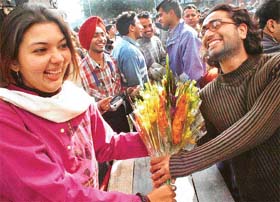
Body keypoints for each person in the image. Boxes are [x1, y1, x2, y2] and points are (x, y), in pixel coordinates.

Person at [0, 4, 176, 201]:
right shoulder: (7, 117)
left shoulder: (75, 99)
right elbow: (54, 193)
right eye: (40, 50)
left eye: (62, 46)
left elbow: (107, 145)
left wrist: (159, 137)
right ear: (13, 61)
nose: (58, 58)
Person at [150, 3, 280, 202]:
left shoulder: (275, 67)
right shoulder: (207, 96)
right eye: (204, 29)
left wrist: (179, 164)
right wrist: (164, 153)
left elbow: (253, 128)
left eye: (216, 24)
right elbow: (196, 141)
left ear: (242, 30)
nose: (208, 33)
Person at [156, 0, 205, 83]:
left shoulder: (187, 35)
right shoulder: (172, 33)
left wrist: (178, 86)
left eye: (161, 15)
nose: (159, 19)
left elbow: (192, 74)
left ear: (171, 13)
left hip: (188, 92)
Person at [112, 11, 149, 88]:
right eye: (139, 23)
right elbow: (136, 88)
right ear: (131, 28)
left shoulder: (121, 45)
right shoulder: (129, 51)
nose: (142, 27)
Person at [137, 11, 166, 82]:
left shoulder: (157, 40)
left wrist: (160, 70)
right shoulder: (136, 47)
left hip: (162, 81)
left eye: (150, 25)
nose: (148, 29)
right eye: (144, 27)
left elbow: (164, 58)